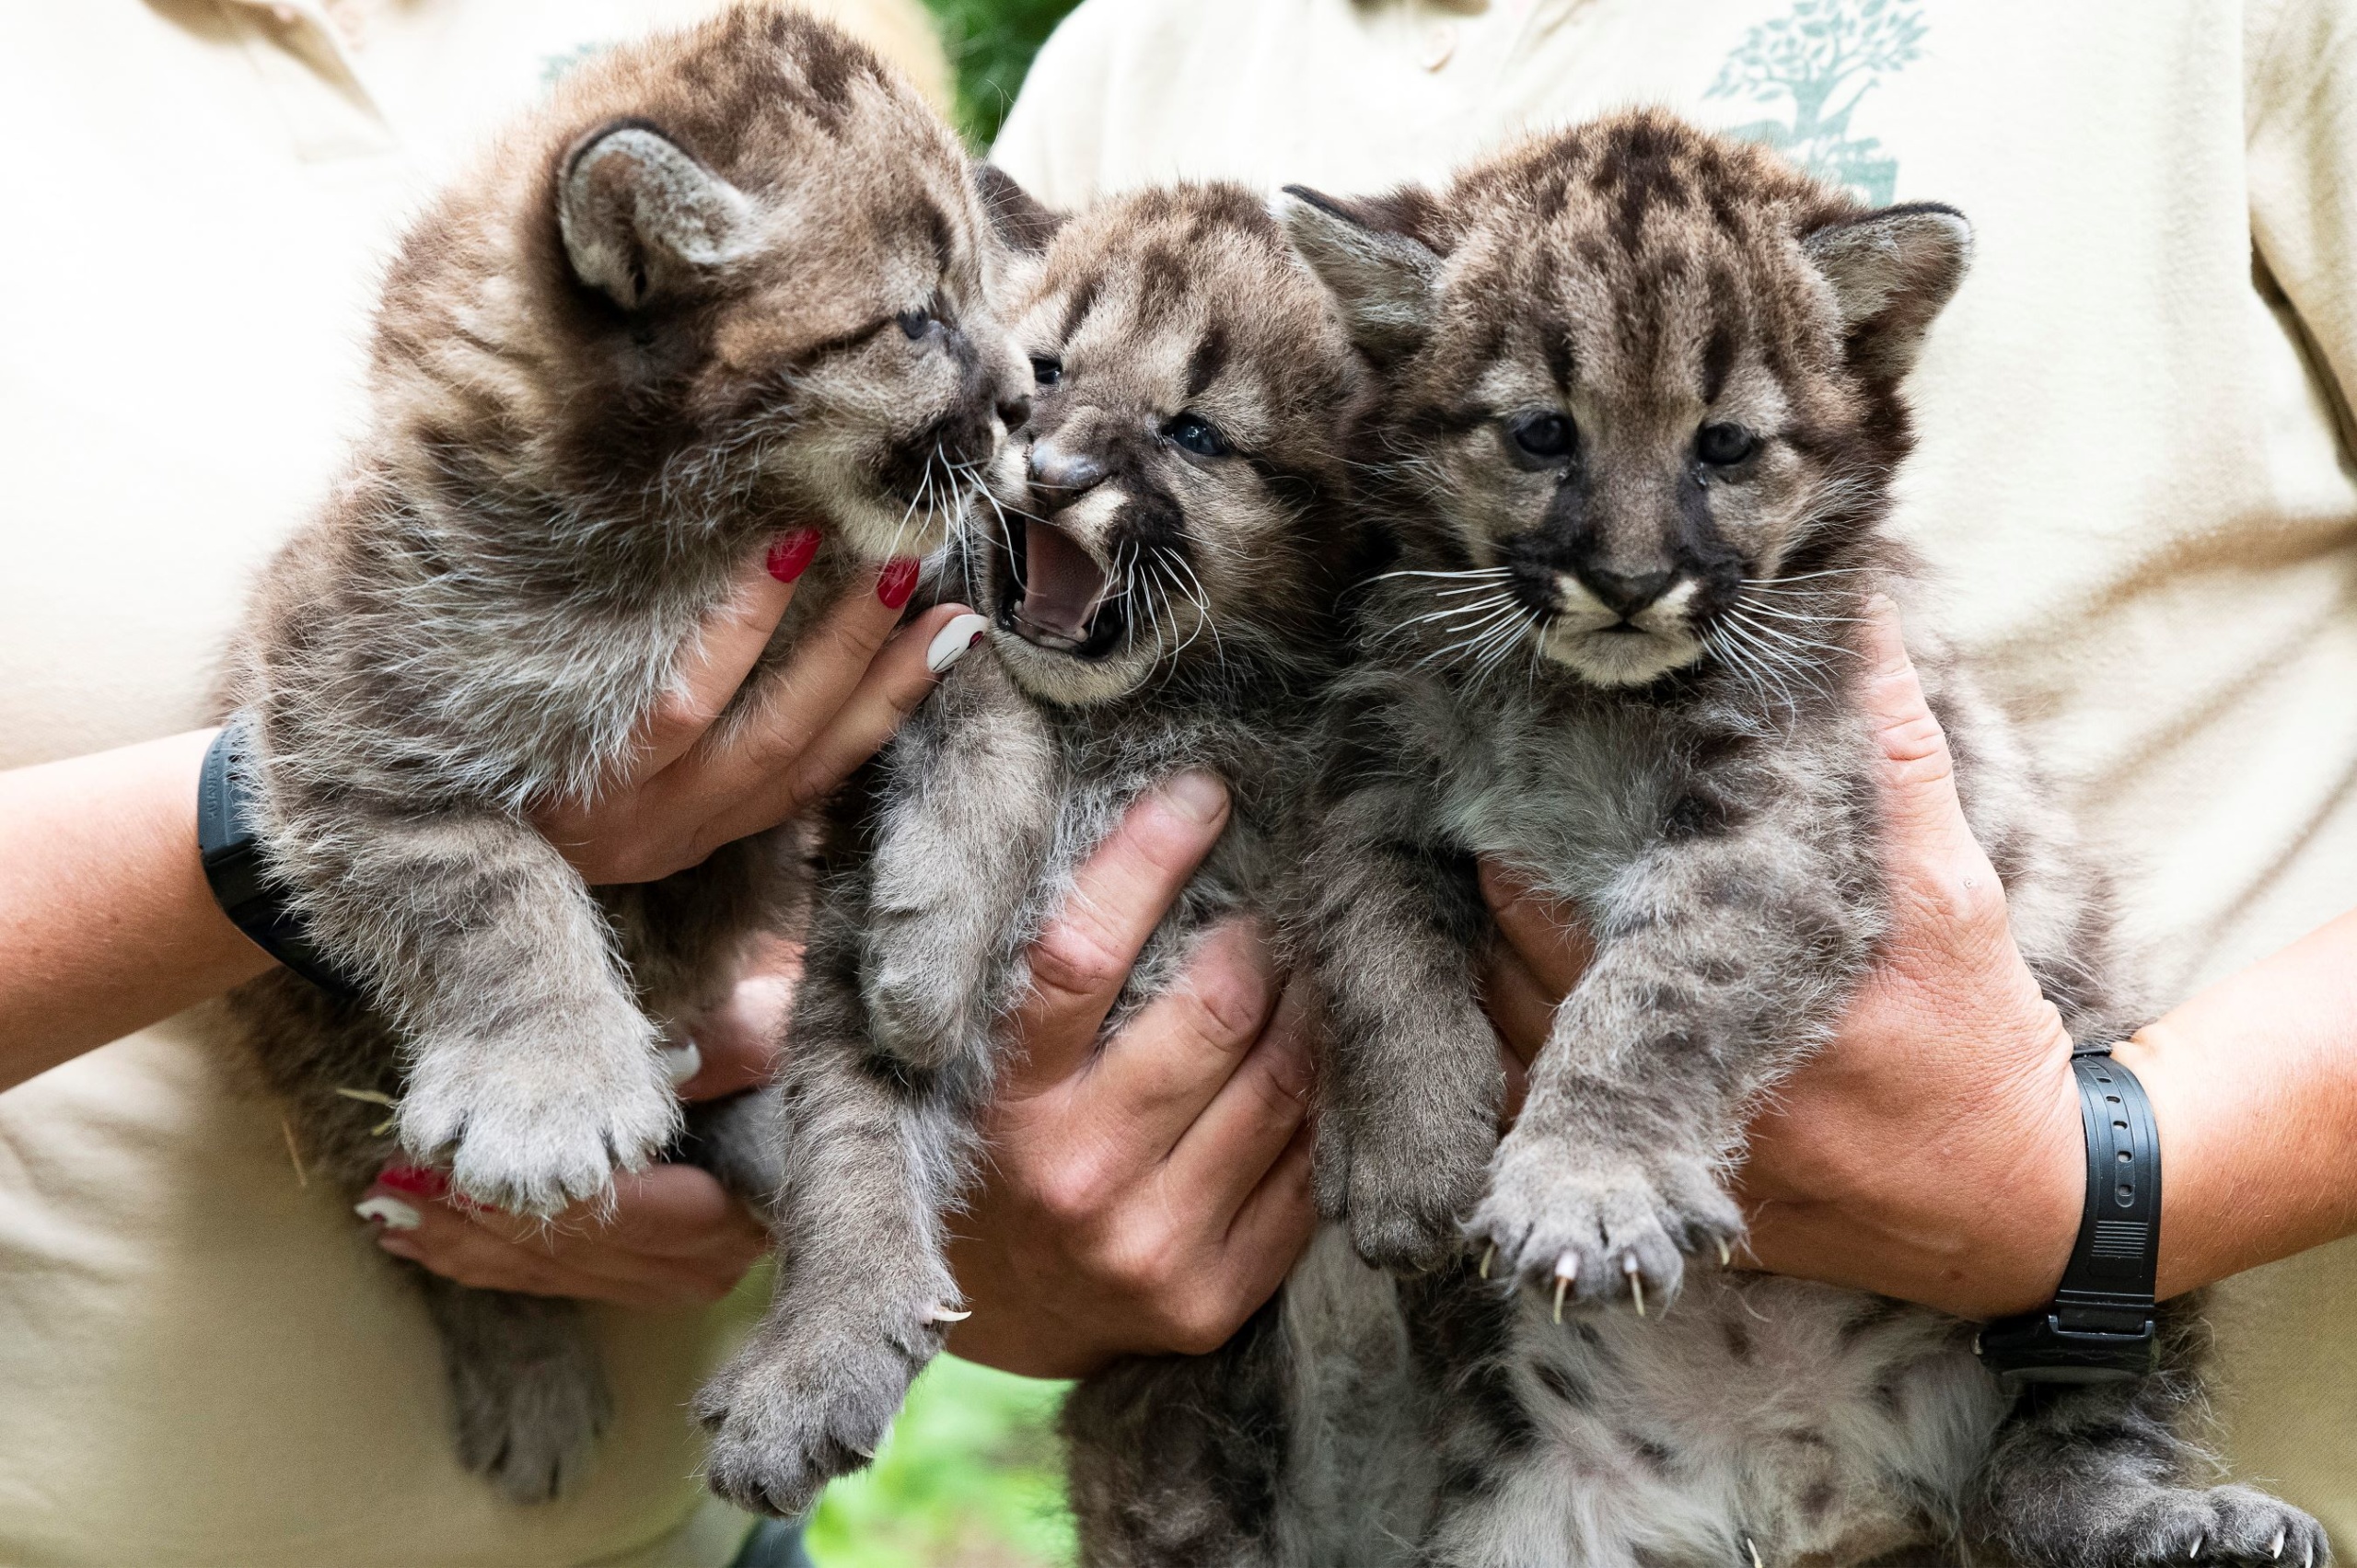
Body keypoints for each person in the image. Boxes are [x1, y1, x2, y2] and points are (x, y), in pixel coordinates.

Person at [981, 0, 2357, 1543]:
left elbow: (1786, 869)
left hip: (2060, 1351)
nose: (1635, 562)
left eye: (1722, 455)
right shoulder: (1133, 57)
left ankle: (2080, 1485)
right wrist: (1003, 1237)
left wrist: (2097, 1192)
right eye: (1540, 441)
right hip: (1519, 1426)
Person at [0, 4, 1308, 1564]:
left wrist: (783, 1089)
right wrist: (365, 881)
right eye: (936, 333)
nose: (1021, 395)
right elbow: (341, 725)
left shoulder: (820, 62)